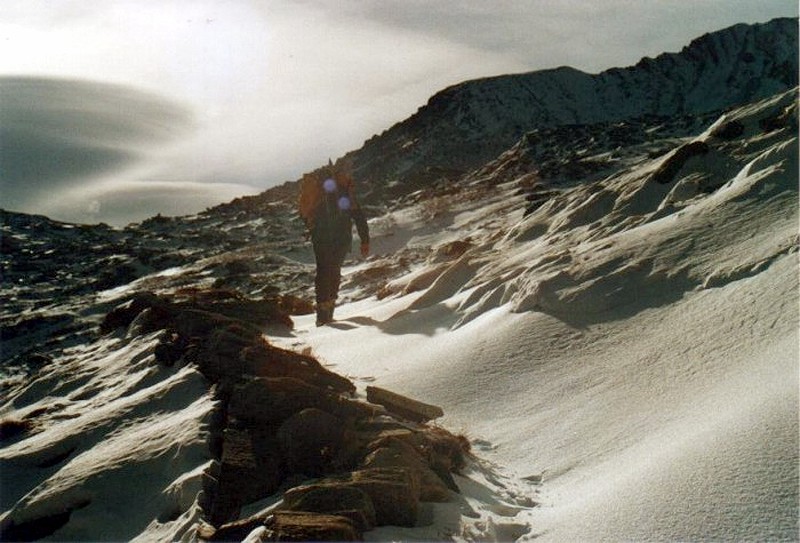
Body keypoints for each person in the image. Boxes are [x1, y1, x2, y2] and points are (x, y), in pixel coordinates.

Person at [298, 161, 369, 326]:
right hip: (341, 239)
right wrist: (364, 240)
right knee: (333, 271)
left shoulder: (321, 195)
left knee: (323, 271)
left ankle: (323, 315)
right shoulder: (345, 194)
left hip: (321, 238)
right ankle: (328, 312)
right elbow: (359, 217)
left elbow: (308, 216)